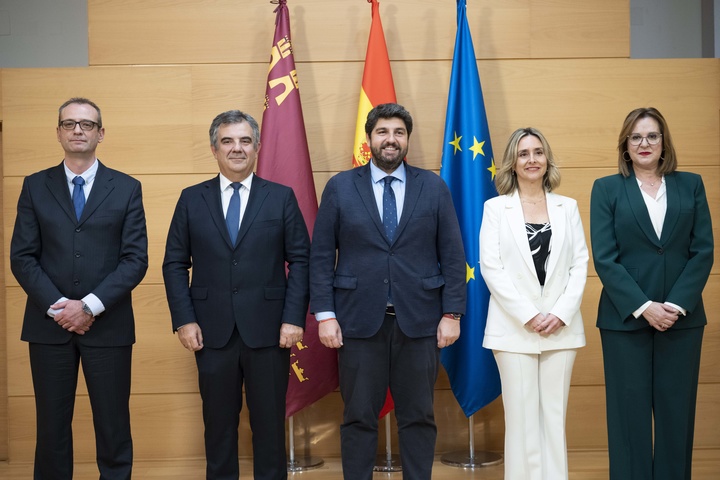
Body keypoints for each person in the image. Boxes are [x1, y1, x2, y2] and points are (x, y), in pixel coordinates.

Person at [310, 103, 466, 480]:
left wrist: (452, 314)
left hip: (420, 322)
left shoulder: (433, 186)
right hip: (357, 323)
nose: (390, 139)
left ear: (407, 139)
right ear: (369, 139)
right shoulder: (340, 187)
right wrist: (325, 315)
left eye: (398, 132)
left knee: (418, 417)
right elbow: (319, 255)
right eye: (382, 132)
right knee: (359, 416)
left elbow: (452, 252)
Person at [162, 110, 310, 480]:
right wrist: (184, 319)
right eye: (227, 141)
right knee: (218, 427)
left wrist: (293, 318)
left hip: (270, 332)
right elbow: (174, 264)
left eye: (245, 140)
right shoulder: (191, 199)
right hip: (210, 333)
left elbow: (303, 261)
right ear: (214, 148)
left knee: (269, 428)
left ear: (257, 147)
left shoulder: (281, 197)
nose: (237, 148)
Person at [9, 97, 149, 479]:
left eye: (86, 125)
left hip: (109, 326)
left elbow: (135, 259)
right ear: (58, 132)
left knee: (113, 425)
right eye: (69, 124)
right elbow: (22, 257)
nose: (77, 130)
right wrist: (61, 306)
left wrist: (88, 306)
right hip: (48, 326)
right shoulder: (35, 186)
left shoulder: (126, 188)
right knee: (51, 426)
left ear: (100, 134)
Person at [590, 107, 713, 480]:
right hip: (624, 320)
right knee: (629, 418)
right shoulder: (606, 188)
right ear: (626, 146)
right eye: (636, 137)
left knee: (677, 413)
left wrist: (673, 305)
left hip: (682, 319)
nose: (645, 143)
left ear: (664, 142)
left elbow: (703, 251)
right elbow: (605, 257)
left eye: (653, 136)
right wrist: (644, 307)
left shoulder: (691, 184)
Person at [479, 127, 588, 480]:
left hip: (561, 328)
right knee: (522, 419)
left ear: (547, 159)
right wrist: (528, 315)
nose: (531, 159)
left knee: (553, 417)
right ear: (512, 161)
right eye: (523, 153)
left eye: (538, 152)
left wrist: (559, 313)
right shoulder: (496, 208)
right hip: (513, 328)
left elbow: (579, 264)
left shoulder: (567, 207)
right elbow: (491, 267)